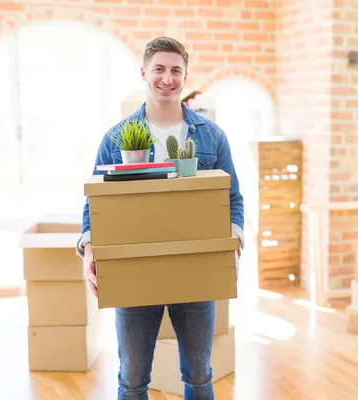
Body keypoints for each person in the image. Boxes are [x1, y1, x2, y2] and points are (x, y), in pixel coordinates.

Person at [75, 36, 244, 400]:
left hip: (196, 269)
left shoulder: (211, 136)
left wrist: (233, 244)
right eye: (159, 69)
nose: (167, 78)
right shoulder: (116, 137)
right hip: (135, 271)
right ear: (144, 73)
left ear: (185, 76)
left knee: (199, 375)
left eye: (175, 71)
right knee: (133, 378)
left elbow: (233, 199)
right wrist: (89, 248)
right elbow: (95, 204)